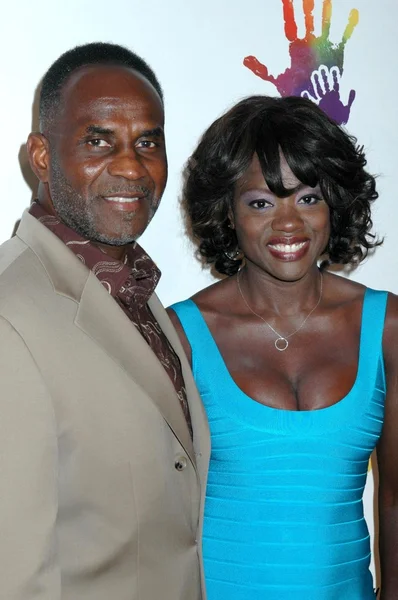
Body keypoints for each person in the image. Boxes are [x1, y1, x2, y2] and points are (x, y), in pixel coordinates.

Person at [0, 42, 209, 600]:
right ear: (42, 157)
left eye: (148, 142)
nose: (130, 167)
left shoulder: (138, 292)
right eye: (98, 141)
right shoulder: (8, 315)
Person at [168, 95, 398, 599]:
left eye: (308, 198)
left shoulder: (387, 328)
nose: (289, 224)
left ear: (335, 202)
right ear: (227, 213)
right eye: (261, 203)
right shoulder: (180, 337)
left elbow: (396, 501)